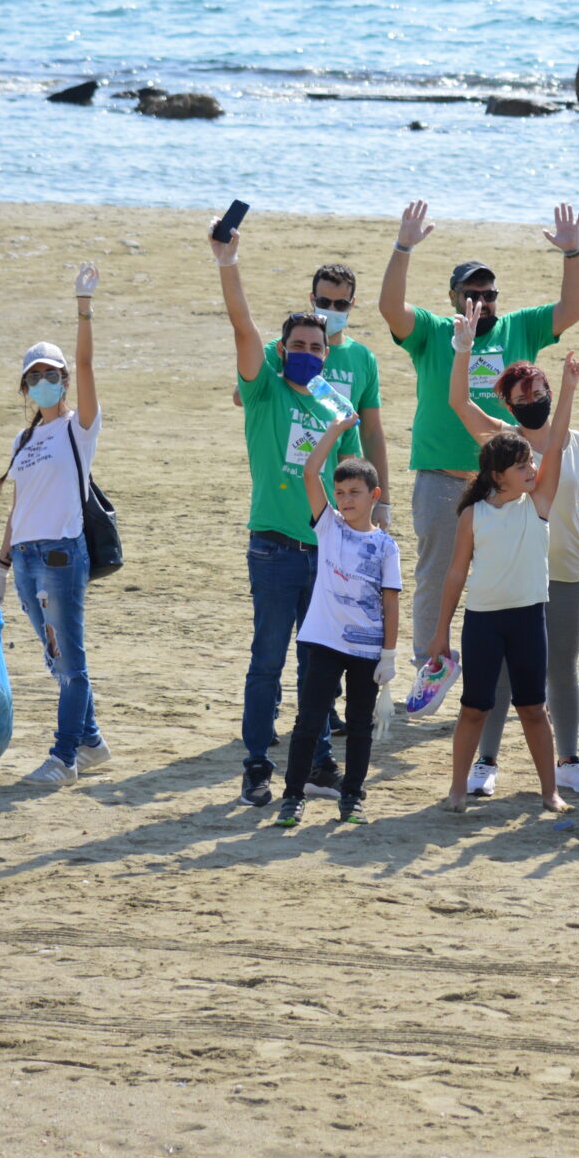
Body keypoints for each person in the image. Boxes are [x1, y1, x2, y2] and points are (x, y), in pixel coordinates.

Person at [377, 198, 579, 700]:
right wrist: (403, 247)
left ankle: (503, 674)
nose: (482, 301)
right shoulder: (433, 331)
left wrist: (572, 253)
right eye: (472, 293)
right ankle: (431, 667)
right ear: (453, 297)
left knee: (506, 576)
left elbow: (574, 309)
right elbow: (390, 309)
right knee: (437, 574)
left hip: (507, 483)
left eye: (489, 294)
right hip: (442, 475)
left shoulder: (519, 327)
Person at [212, 220, 349, 808]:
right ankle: (256, 766)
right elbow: (243, 326)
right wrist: (228, 262)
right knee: (267, 661)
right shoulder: (264, 390)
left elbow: (349, 482)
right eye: (298, 346)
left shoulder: (336, 406)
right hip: (271, 548)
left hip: (324, 549)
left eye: (317, 348)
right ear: (282, 350)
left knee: (319, 665)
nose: (308, 354)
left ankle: (318, 762)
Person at [444, 303, 579, 801]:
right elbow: (458, 402)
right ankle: (486, 762)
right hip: (512, 578)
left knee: (561, 669)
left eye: (538, 390)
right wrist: (463, 349)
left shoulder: (575, 441)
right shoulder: (505, 443)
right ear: (509, 405)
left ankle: (568, 761)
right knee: (502, 676)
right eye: (522, 395)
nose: (533, 399)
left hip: (566, 568)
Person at [0, 262, 109, 784]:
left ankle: (64, 758)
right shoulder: (23, 440)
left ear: (64, 381)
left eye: (50, 375)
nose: (43, 383)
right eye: (33, 377)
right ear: (25, 386)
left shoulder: (80, 427)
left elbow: (86, 361)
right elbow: (18, 508)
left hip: (62, 554)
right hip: (27, 559)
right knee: (57, 659)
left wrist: (83, 307)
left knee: (71, 662)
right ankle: (92, 743)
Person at [273, 410, 400, 828]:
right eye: (340, 492)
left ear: (374, 495)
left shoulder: (386, 547)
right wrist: (336, 429)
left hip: (367, 648)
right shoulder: (328, 525)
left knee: (360, 726)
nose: (346, 499)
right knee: (309, 722)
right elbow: (310, 472)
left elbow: (391, 602)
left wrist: (389, 655)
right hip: (324, 641)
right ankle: (292, 797)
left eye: (355, 492)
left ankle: (352, 797)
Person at [247, 263, 390, 527]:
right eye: (324, 302)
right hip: (287, 478)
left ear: (352, 304)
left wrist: (383, 501)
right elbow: (242, 395)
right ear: (312, 299)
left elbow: (371, 432)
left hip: (337, 483)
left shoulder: (363, 358)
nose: (332, 309)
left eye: (341, 304)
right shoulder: (285, 348)